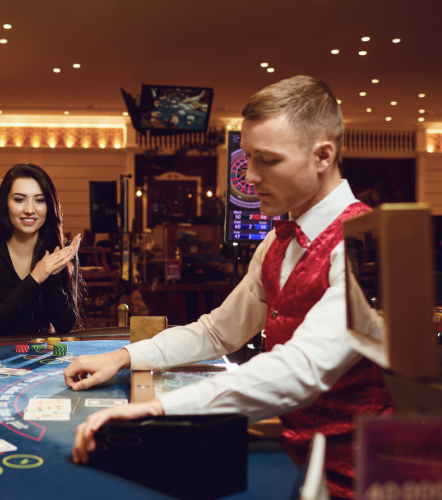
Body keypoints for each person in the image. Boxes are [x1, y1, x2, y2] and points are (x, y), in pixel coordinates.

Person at [66, 76, 393, 500]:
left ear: (323, 156)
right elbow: (218, 332)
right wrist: (123, 356)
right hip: (293, 458)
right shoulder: (277, 241)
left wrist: (158, 408)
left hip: (358, 478)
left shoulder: (363, 241)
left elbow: (301, 370)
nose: (249, 176)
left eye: (268, 160)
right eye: (248, 157)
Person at [0, 163, 84, 336]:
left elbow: (65, 326)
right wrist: (37, 276)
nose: (29, 210)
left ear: (49, 205)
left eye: (40, 200)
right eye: (19, 199)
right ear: (5, 203)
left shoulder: (60, 251)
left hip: (43, 357)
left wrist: (51, 277)